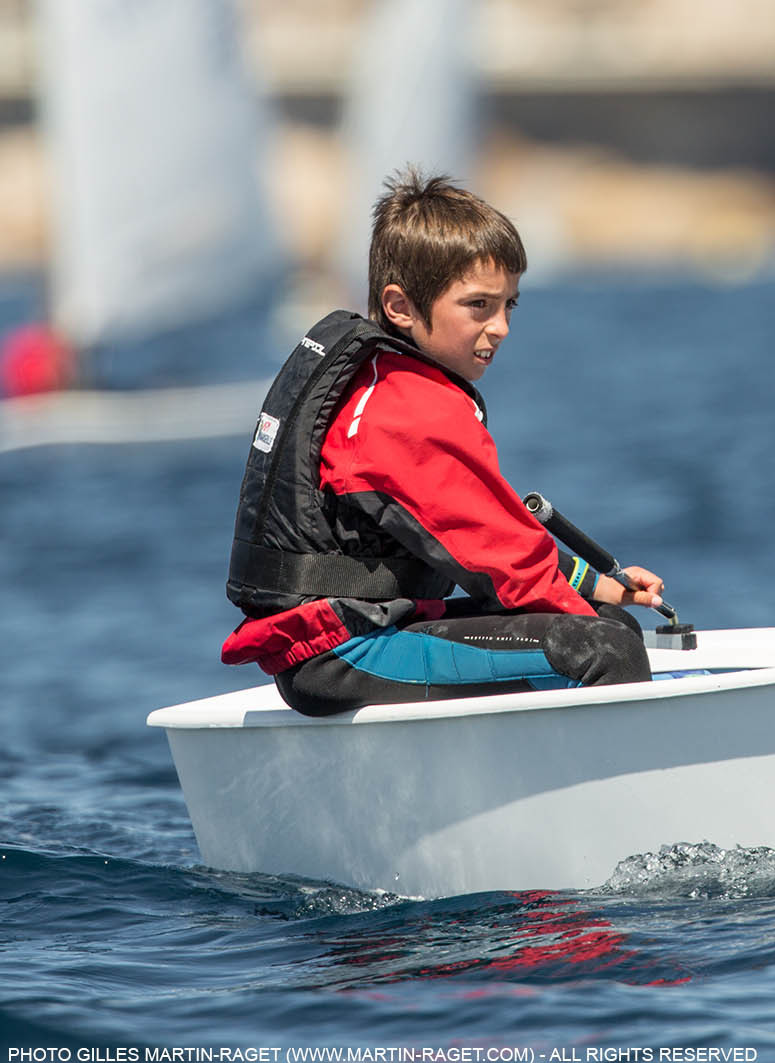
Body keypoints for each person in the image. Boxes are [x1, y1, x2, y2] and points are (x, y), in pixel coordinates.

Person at [220, 168, 661, 716]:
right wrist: (590, 613)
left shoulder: (391, 382)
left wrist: (602, 588)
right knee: (602, 649)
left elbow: (492, 535)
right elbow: (501, 562)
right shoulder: (404, 407)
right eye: (478, 305)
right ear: (401, 307)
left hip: (369, 628)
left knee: (607, 624)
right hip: (344, 651)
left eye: (509, 306)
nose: (500, 327)